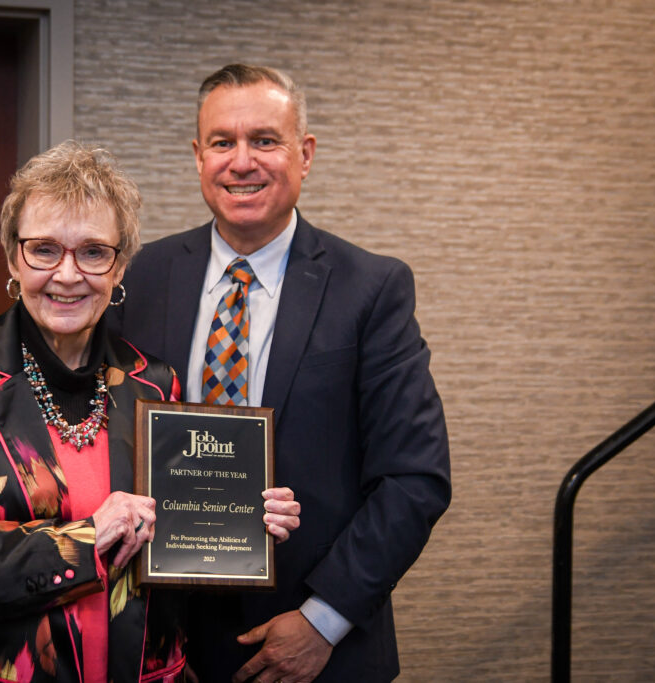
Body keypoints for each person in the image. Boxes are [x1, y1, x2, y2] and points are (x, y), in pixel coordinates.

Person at [0, 140, 301, 683]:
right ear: (12, 256)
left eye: (92, 252)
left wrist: (243, 525)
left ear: (119, 267)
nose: (68, 274)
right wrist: (83, 540)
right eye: (44, 249)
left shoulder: (154, 385)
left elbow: (171, 556)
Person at [112, 64, 451, 682]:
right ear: (198, 157)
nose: (242, 162)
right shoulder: (140, 278)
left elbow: (414, 478)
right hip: (158, 640)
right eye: (222, 142)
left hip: (316, 647)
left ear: (305, 153)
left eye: (265, 140)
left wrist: (323, 619)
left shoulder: (372, 289)